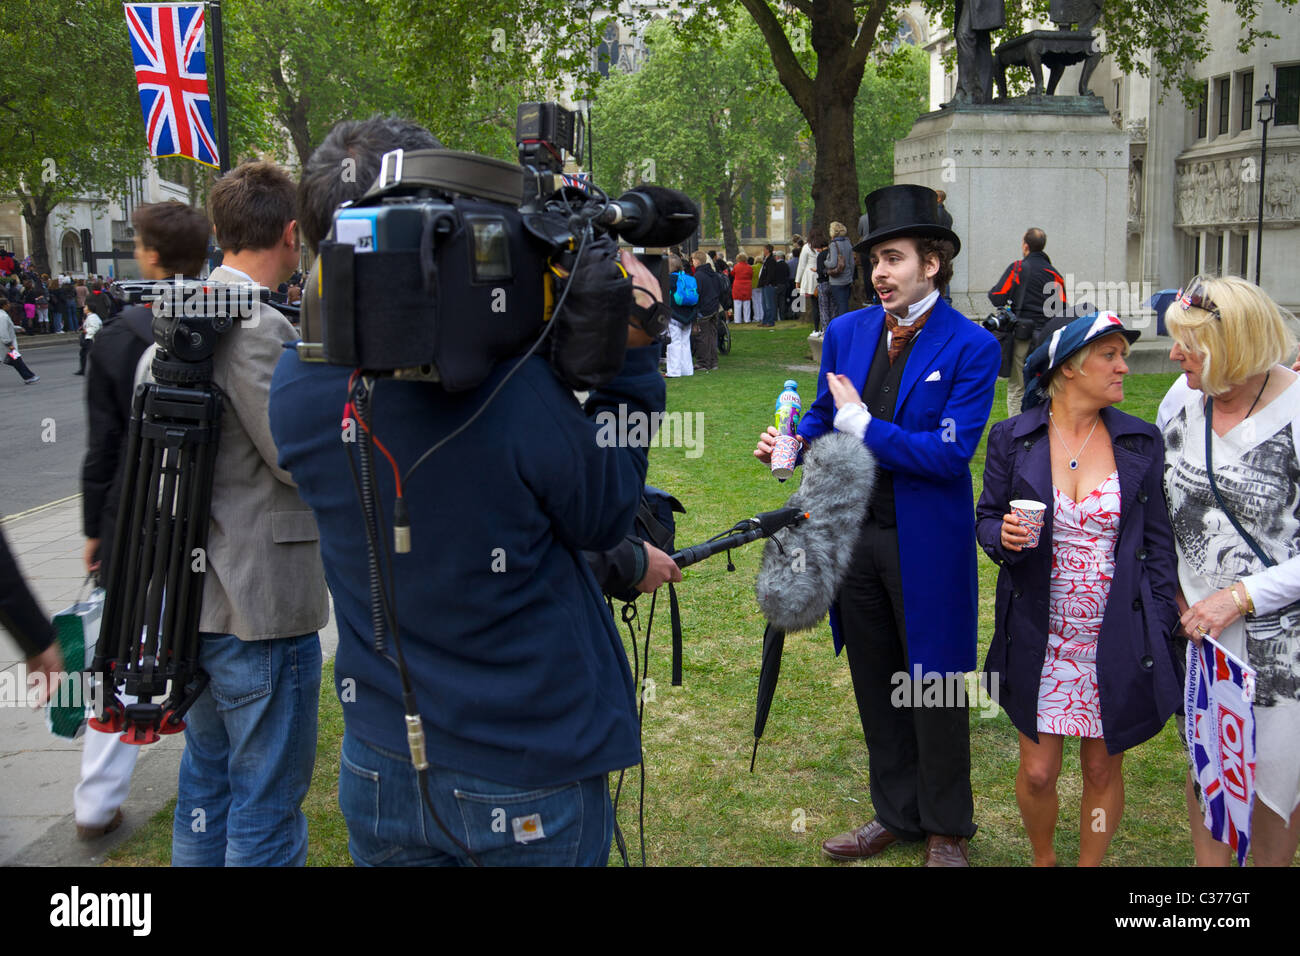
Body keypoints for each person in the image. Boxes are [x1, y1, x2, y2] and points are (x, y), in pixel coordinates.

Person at [270, 115, 667, 866]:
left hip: (382, 759)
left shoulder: (293, 382)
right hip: (525, 771)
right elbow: (607, 509)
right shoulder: (507, 390)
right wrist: (631, 361)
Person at [755, 184, 1001, 866]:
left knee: (935, 681)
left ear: (934, 263)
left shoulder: (972, 346)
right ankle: (895, 814)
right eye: (875, 262)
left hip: (927, 542)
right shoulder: (847, 331)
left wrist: (864, 424)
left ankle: (947, 826)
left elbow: (949, 454)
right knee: (875, 676)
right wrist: (791, 445)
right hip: (853, 538)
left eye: (893, 258)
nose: (879, 273)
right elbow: (817, 418)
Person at [160, 163, 329, 867]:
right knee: (262, 800)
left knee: (207, 787)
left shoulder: (178, 316)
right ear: (291, 235)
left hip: (196, 599)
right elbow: (293, 456)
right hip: (257, 603)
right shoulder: (255, 327)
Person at [977, 311, 1182, 866]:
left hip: (1116, 629)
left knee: (1100, 766)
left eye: (1123, 354)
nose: (1124, 367)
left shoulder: (1139, 441)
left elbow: (1158, 542)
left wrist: (1162, 620)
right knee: (1040, 772)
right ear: (1068, 368)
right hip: (1040, 629)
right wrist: (1004, 535)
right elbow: (987, 520)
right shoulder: (1013, 439)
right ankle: (1045, 860)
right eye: (1110, 356)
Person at [76, 201, 212, 840]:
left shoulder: (116, 335)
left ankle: (96, 801)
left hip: (133, 517)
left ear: (151, 256)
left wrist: (94, 529)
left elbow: (102, 446)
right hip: (203, 517)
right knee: (201, 637)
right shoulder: (226, 319)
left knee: (116, 648)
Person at [1157, 275, 1300, 867]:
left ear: (1233, 346)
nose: (1172, 355)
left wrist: (1240, 595)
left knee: (1272, 788)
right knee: (1208, 771)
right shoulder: (1182, 398)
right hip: (1205, 644)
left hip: (1281, 648)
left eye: (1187, 344)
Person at [989, 227, 1067, 417]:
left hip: (1023, 335)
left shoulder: (1018, 268)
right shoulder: (1055, 275)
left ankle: (1016, 432)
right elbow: (1062, 309)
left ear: (1025, 246)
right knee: (1043, 387)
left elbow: (996, 296)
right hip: (1046, 338)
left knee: (1017, 388)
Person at [690, 250, 722, 372]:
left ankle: (703, 362)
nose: (692, 262)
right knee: (712, 336)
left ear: (697, 261)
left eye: (693, 260)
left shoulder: (699, 275)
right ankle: (713, 362)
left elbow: (697, 293)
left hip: (704, 309)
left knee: (702, 336)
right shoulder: (713, 274)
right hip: (714, 308)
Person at [666, 254, 697, 377]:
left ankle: (674, 371)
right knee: (685, 343)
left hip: (674, 315)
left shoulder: (668, 279)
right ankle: (687, 370)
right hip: (688, 315)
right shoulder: (689, 278)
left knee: (674, 343)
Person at [1, 300, 38, 383]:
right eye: (8, 303)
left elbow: (8, 326)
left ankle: (29, 376)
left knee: (16, 360)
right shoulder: (2, 316)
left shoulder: (3, 315)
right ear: (4, 305)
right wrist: (8, 343)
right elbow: (3, 331)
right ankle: (29, 377)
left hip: (5, 345)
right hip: (6, 345)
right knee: (16, 360)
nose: (9, 305)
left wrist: (17, 328)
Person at [825, 221, 855, 318]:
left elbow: (833, 263)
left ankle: (844, 327)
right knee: (845, 304)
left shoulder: (833, 245)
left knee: (841, 306)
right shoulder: (848, 243)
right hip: (847, 279)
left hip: (837, 281)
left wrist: (825, 262)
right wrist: (851, 277)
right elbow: (852, 263)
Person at [755, 244, 777, 326]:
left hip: (769, 285)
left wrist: (767, 282)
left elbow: (771, 274)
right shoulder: (766, 259)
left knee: (769, 304)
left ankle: (770, 321)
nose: (763, 251)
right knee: (764, 304)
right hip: (765, 285)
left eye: (764, 249)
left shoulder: (771, 260)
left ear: (768, 250)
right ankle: (765, 320)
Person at [731, 255, 753, 324]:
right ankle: (747, 319)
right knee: (747, 304)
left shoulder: (736, 266)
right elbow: (751, 275)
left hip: (737, 285)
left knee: (737, 304)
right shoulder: (749, 267)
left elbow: (732, 274)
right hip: (747, 285)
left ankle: (737, 320)